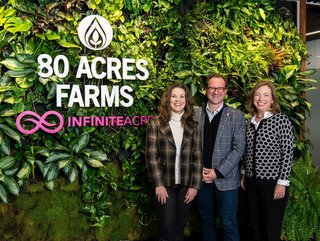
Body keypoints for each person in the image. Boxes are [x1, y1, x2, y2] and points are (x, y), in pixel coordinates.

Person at [145, 83, 202, 241]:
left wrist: (194, 186)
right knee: (167, 230)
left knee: (179, 229)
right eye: (174, 96)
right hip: (165, 185)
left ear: (187, 100)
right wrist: (158, 184)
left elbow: (197, 157)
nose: (178, 100)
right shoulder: (156, 123)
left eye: (182, 96)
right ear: (168, 99)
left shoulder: (193, 126)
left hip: (185, 185)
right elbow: (151, 156)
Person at [195, 73, 246, 241]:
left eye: (220, 88)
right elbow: (190, 146)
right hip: (201, 180)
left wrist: (217, 172)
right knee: (205, 222)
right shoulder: (195, 115)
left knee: (228, 223)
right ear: (205, 90)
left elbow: (239, 149)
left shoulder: (236, 116)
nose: (215, 91)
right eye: (212, 87)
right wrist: (199, 170)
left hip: (227, 181)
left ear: (224, 91)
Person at [240, 81, 293, 241]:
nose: (261, 98)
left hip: (272, 183)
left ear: (272, 100)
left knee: (270, 229)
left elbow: (288, 153)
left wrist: (282, 183)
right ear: (253, 98)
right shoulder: (249, 122)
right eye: (257, 94)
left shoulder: (281, 120)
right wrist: (243, 174)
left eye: (266, 95)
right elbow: (246, 151)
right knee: (255, 227)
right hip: (251, 182)